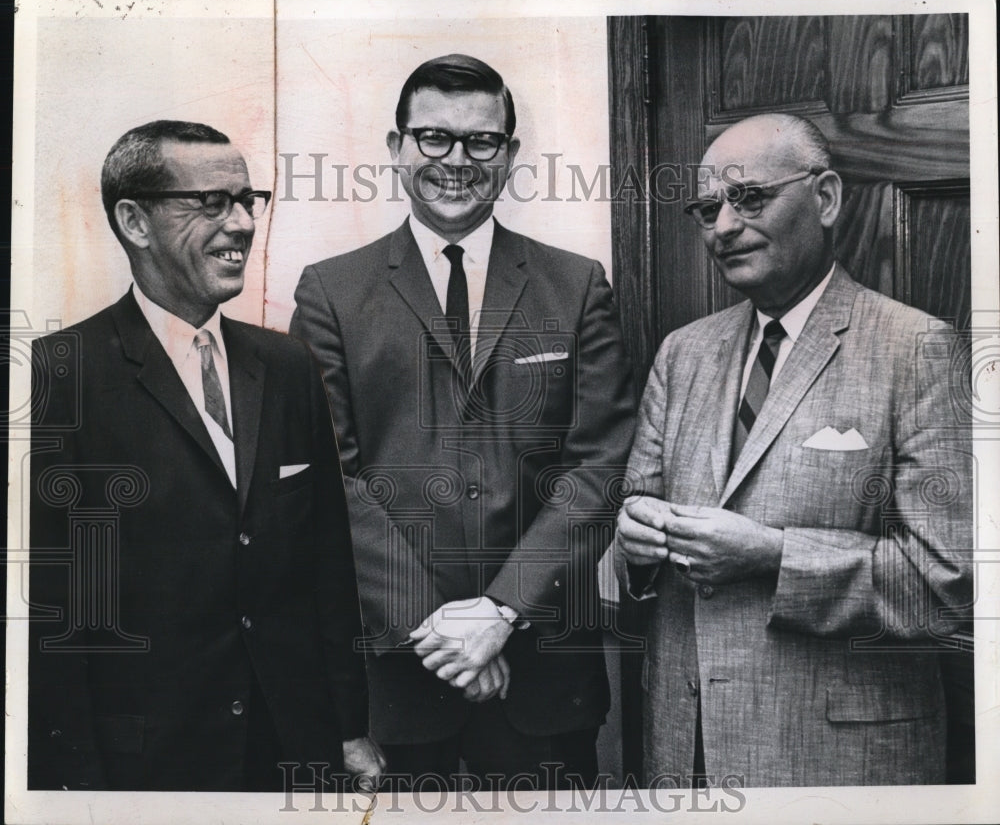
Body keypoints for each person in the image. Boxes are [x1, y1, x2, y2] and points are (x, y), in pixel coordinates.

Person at [289, 54, 635, 788]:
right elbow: (330, 478)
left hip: (545, 679)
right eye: (434, 138)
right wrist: (440, 628)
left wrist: (501, 611)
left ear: (509, 154)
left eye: (481, 141)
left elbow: (600, 466)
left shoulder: (577, 286)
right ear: (397, 148)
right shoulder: (331, 293)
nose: (456, 161)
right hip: (395, 680)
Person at [615, 113, 972, 787]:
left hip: (837, 765)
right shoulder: (682, 353)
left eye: (749, 198)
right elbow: (636, 515)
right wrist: (633, 541)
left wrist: (774, 556)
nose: (723, 227)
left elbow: (947, 584)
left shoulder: (918, 350)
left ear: (825, 198)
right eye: (708, 209)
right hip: (685, 752)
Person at [28, 120, 384, 792]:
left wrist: (348, 727)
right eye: (212, 203)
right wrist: (74, 784)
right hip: (145, 768)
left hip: (289, 749)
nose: (243, 224)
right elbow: (51, 613)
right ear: (134, 221)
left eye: (248, 201)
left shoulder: (287, 365)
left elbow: (327, 569)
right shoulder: (57, 377)